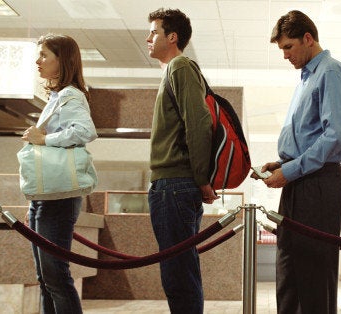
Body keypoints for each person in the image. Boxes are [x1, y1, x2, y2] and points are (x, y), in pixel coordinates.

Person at [259, 10, 341, 314]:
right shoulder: (307, 78)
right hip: (300, 180)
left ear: (308, 38)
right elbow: (308, 136)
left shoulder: (330, 71)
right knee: (290, 272)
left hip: (318, 182)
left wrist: (290, 170)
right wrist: (281, 164)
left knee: (312, 274)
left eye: (289, 47)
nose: (285, 55)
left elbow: (338, 136)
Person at [145, 8, 218, 313]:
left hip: (175, 185)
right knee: (176, 273)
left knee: (179, 275)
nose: (148, 38)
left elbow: (199, 123)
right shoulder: (173, 70)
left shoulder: (181, 67)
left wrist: (202, 178)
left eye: (154, 32)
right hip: (169, 185)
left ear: (171, 37)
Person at [22, 33, 98, 314]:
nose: (38, 61)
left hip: (59, 196)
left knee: (55, 276)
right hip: (49, 194)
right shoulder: (58, 96)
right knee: (47, 278)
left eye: (44, 55)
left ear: (61, 60)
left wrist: (43, 139)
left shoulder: (70, 95)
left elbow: (85, 131)